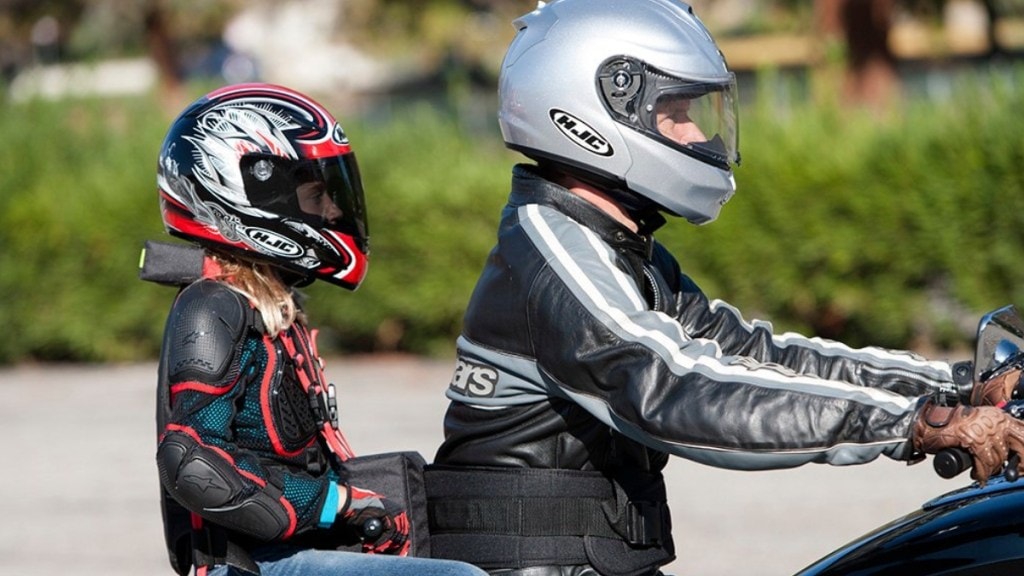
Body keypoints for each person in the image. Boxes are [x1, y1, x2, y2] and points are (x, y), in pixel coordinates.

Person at [424, 2, 1024, 575]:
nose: (697, 135)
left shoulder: (615, 247)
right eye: (675, 114)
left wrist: (954, 386)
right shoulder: (553, 252)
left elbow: (754, 355)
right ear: (593, 114)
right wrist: (915, 422)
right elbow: (674, 387)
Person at [146, 83, 487, 576]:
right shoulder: (211, 305)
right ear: (252, 194)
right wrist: (334, 503)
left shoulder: (261, 305)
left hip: (292, 549)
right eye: (316, 195)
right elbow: (193, 460)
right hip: (253, 562)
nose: (332, 211)